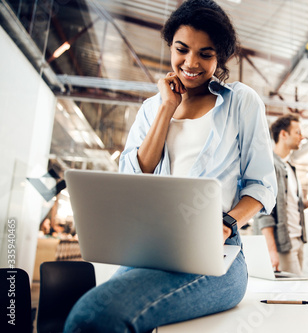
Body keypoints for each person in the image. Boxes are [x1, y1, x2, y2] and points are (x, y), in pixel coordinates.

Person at [64, 1, 276, 331]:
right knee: (92, 313)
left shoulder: (241, 101)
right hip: (153, 249)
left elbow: (262, 187)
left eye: (205, 54)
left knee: (94, 315)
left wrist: (223, 223)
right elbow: (135, 176)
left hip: (218, 254)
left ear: (219, 56)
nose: (190, 63)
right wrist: (167, 107)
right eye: (182, 50)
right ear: (170, 47)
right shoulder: (152, 108)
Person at [255, 114, 308, 276]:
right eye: (298, 132)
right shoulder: (270, 164)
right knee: (293, 292)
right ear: (283, 134)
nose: (302, 137)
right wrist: (271, 250)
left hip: (296, 240)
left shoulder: (289, 167)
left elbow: (286, 207)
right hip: (282, 245)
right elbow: (263, 212)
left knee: (295, 290)